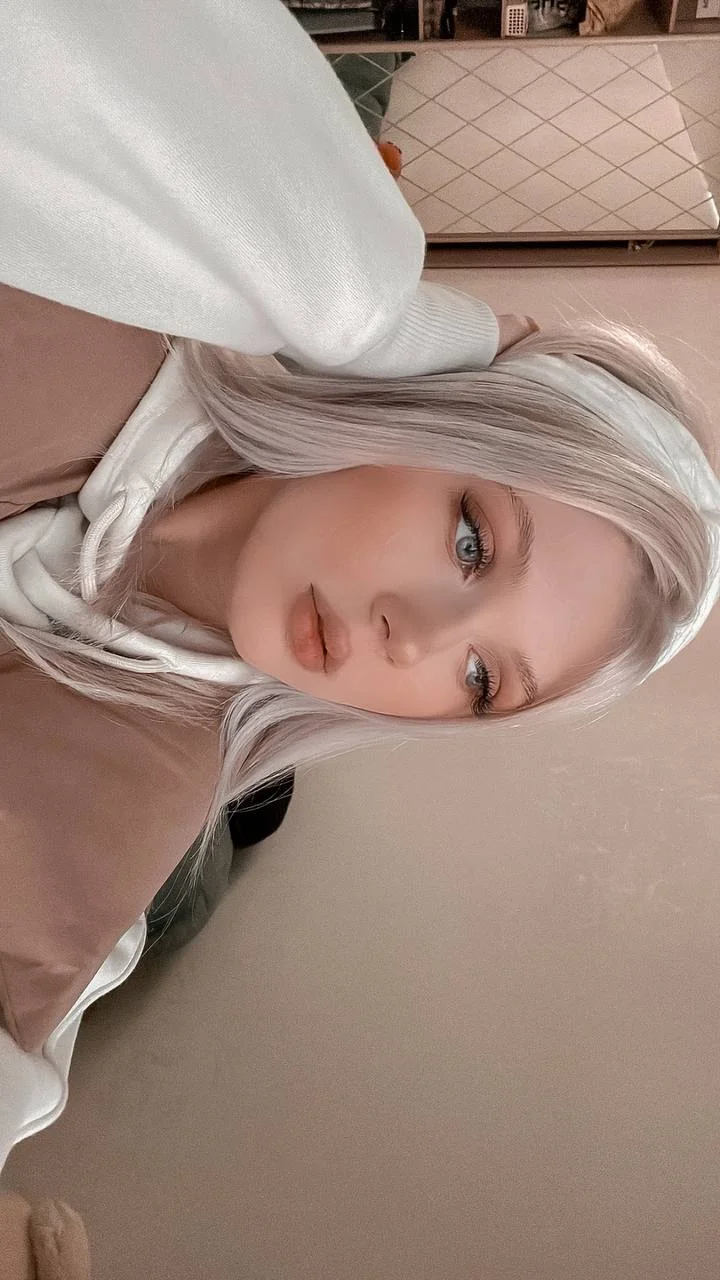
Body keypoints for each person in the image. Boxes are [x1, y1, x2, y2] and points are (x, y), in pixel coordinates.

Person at [0, 0, 718, 1191]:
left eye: (481, 680)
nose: (412, 637)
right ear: (427, 408)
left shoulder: (146, 780)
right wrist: (377, 318)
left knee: (190, 879)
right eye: (474, 542)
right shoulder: (113, 313)